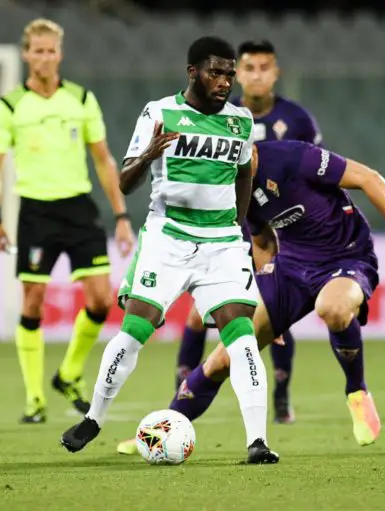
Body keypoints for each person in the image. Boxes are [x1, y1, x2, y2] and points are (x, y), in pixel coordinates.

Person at [118, 139, 385, 454]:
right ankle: (162, 432)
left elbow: (369, 178)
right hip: (290, 269)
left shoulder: (296, 157)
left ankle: (357, 392)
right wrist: (270, 305)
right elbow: (262, 243)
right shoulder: (236, 188)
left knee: (332, 308)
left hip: (346, 257)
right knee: (224, 359)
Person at [59, 36, 279, 464]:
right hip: (168, 237)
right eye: (215, 72)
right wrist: (147, 155)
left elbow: (244, 174)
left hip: (222, 244)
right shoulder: (159, 112)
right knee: (134, 331)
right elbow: (124, 183)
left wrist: (238, 227)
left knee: (242, 338)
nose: (225, 81)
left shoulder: (240, 121)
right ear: (193, 72)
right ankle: (93, 418)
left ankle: (258, 441)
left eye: (229, 74)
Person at [0, 18, 134, 424]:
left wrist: (121, 215)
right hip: (36, 212)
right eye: (38, 50)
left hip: (78, 209)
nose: (45, 57)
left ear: (60, 54)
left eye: (51, 50)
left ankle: (68, 374)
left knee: (101, 300)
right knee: (32, 301)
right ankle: (35, 399)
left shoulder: (80, 99)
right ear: (26, 54)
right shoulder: (10, 106)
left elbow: (103, 160)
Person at [175, 39, 323, 425]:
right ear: (237, 73)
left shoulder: (297, 120)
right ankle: (178, 399)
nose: (257, 75)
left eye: (264, 67)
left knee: (274, 313)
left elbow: (315, 171)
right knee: (198, 315)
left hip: (279, 229)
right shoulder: (220, 115)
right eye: (249, 68)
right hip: (228, 225)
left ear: (276, 73)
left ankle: (281, 396)